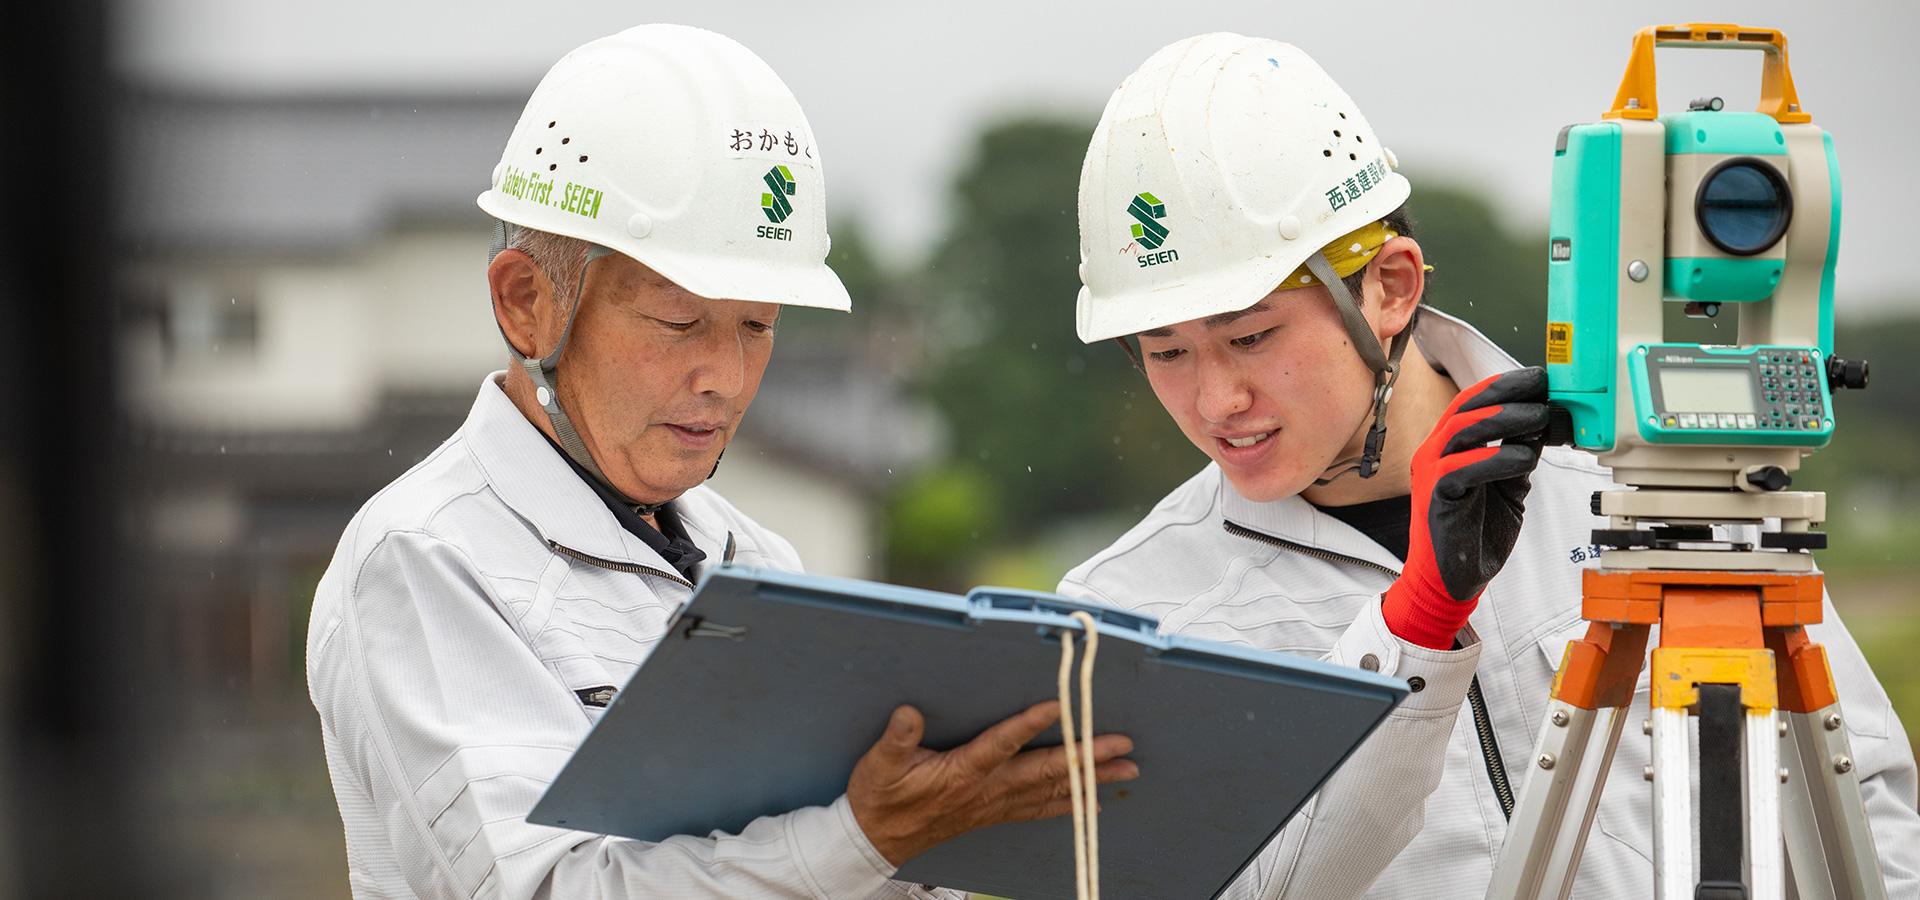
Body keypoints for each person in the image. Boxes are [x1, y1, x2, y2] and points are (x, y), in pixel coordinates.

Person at [1059, 32, 1920, 899]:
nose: (1214, 403)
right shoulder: (1128, 615)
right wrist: (1412, 630)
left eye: (1250, 337)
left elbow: (1868, 810)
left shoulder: (1653, 487)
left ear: (1390, 287)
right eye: (1165, 352)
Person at [305, 25, 1137, 900]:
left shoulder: (759, 563)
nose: (728, 379)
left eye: (759, 325)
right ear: (527, 303)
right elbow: (546, 890)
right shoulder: (423, 560)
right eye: (679, 323)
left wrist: (944, 835)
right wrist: (863, 838)